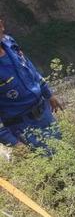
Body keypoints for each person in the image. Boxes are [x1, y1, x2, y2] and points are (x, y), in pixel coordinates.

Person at [0, 18, 63, 153]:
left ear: (1, 25)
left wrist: (48, 94)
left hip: (44, 113)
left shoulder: (9, 43)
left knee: (64, 153)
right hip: (22, 126)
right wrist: (13, 143)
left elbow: (30, 70)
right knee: (50, 167)